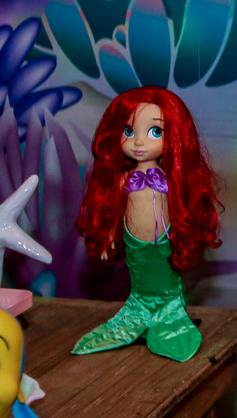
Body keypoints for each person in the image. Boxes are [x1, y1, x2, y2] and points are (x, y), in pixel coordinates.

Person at [73, 86, 222, 362]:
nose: (139, 141)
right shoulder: (122, 180)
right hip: (135, 246)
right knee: (140, 281)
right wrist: (109, 236)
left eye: (155, 131)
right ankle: (140, 312)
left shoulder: (170, 181)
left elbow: (185, 211)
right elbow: (111, 212)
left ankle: (168, 314)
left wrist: (183, 235)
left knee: (166, 281)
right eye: (129, 131)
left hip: (163, 245)